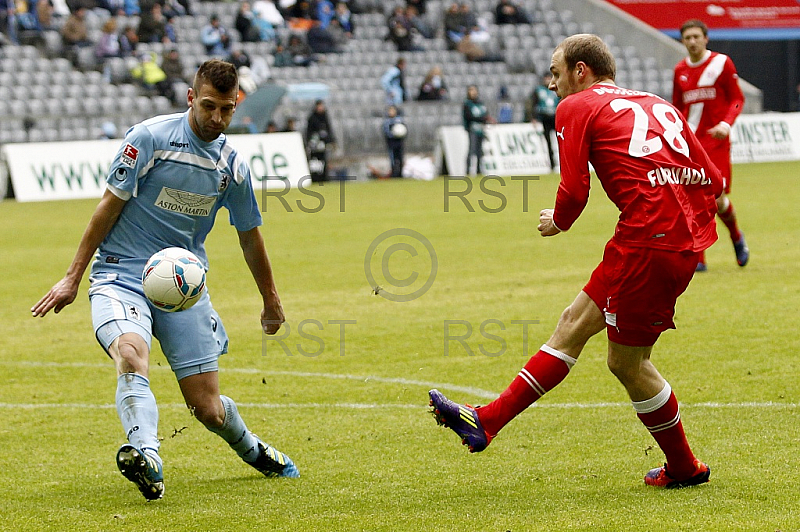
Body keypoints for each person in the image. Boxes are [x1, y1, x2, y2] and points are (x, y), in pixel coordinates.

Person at [430, 34, 720, 489]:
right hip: (661, 239)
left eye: (555, 71)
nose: (551, 84)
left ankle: (684, 467)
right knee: (571, 324)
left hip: (646, 242)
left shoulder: (576, 106)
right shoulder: (654, 101)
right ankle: (484, 422)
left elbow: (574, 190)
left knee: (627, 363)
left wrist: (559, 221)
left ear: (580, 71)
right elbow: (712, 178)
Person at [31, 60, 299, 501]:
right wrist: (72, 278)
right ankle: (148, 457)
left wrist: (271, 300)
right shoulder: (149, 138)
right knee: (131, 354)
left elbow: (250, 237)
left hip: (183, 289)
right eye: (209, 106)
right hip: (121, 274)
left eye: (227, 110)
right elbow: (107, 208)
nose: (217, 118)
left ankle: (256, 451)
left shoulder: (232, 166)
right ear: (191, 98)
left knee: (208, 410)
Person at [673, 19, 748, 271]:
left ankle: (736, 236)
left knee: (717, 199)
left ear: (706, 38)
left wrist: (726, 124)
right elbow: (677, 109)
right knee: (694, 197)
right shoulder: (679, 71)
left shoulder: (721, 63)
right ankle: (699, 257)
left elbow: (737, 98)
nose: (692, 42)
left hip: (716, 143)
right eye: (687, 38)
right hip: (691, 144)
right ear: (682, 41)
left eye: (696, 36)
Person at [525, 71, 559, 171]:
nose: (547, 80)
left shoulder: (556, 89)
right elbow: (532, 104)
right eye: (546, 78)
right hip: (544, 118)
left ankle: (563, 163)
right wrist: (533, 117)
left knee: (561, 141)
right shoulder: (538, 90)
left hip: (556, 117)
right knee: (548, 143)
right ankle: (552, 164)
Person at [306, 99, 335, 183]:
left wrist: (331, 140)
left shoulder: (325, 116)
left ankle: (324, 178)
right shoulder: (312, 118)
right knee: (315, 162)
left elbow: (329, 129)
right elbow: (309, 131)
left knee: (324, 161)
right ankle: (315, 178)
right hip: (314, 145)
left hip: (323, 144)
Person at [462, 84, 489, 176]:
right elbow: (469, 116)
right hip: (472, 129)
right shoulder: (467, 104)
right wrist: (481, 119)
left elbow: (485, 114)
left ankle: (479, 169)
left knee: (480, 151)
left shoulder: (480, 103)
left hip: (481, 130)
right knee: (471, 150)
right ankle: (468, 170)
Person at [382, 105, 406, 177]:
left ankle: (401, 173)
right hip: (391, 143)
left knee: (400, 158)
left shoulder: (399, 120)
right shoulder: (387, 122)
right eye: (390, 111)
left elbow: (404, 130)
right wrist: (393, 134)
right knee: (393, 159)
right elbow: (386, 132)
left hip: (399, 143)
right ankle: (394, 173)